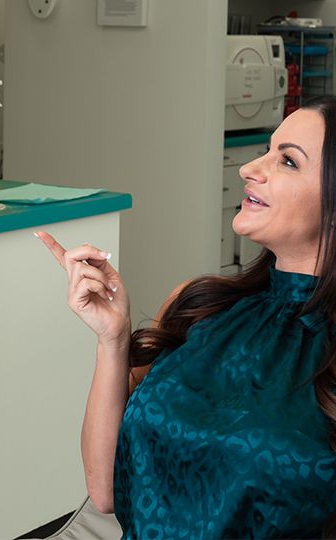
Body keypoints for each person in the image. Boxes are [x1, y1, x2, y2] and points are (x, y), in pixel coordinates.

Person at [38, 97, 336, 538]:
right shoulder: (200, 306)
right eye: (268, 150)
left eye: (288, 161)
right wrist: (113, 339)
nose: (251, 168)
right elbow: (104, 492)